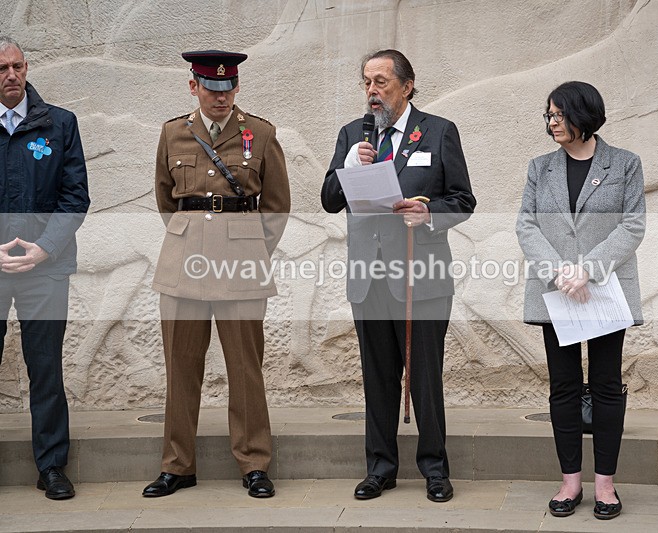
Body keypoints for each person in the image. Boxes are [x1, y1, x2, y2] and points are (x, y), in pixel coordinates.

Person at [322, 49, 476, 503]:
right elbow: (331, 198)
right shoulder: (353, 135)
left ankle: (434, 469)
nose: (372, 91)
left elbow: (463, 200)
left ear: (406, 86)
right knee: (377, 378)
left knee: (425, 379)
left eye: (382, 82)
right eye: (367, 82)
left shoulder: (439, 132)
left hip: (421, 277)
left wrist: (428, 211)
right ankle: (380, 469)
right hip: (368, 278)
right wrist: (348, 167)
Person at [143, 49, 290, 499]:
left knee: (245, 369)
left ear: (236, 88)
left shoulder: (260, 134)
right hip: (184, 263)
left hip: (241, 266)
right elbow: (167, 201)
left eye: (228, 88)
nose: (221, 97)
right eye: (211, 88)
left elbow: (277, 206)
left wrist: (247, 248)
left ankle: (254, 464)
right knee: (180, 369)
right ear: (194, 87)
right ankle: (177, 465)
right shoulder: (173, 134)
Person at [516, 81, 645, 520]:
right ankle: (571, 481)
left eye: (558, 115)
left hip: (604, 288)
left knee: (607, 386)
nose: (552, 122)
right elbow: (526, 226)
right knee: (564, 386)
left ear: (583, 115)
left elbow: (633, 225)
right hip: (557, 294)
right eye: (548, 115)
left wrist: (586, 268)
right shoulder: (539, 168)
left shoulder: (625, 164)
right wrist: (559, 272)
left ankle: (605, 484)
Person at [0, 36, 90, 500]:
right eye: (1, 68)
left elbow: (75, 199)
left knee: (46, 370)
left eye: (17, 66)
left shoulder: (59, 125)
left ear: (27, 67)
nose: (11, 75)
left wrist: (43, 250)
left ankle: (52, 467)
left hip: (44, 271)